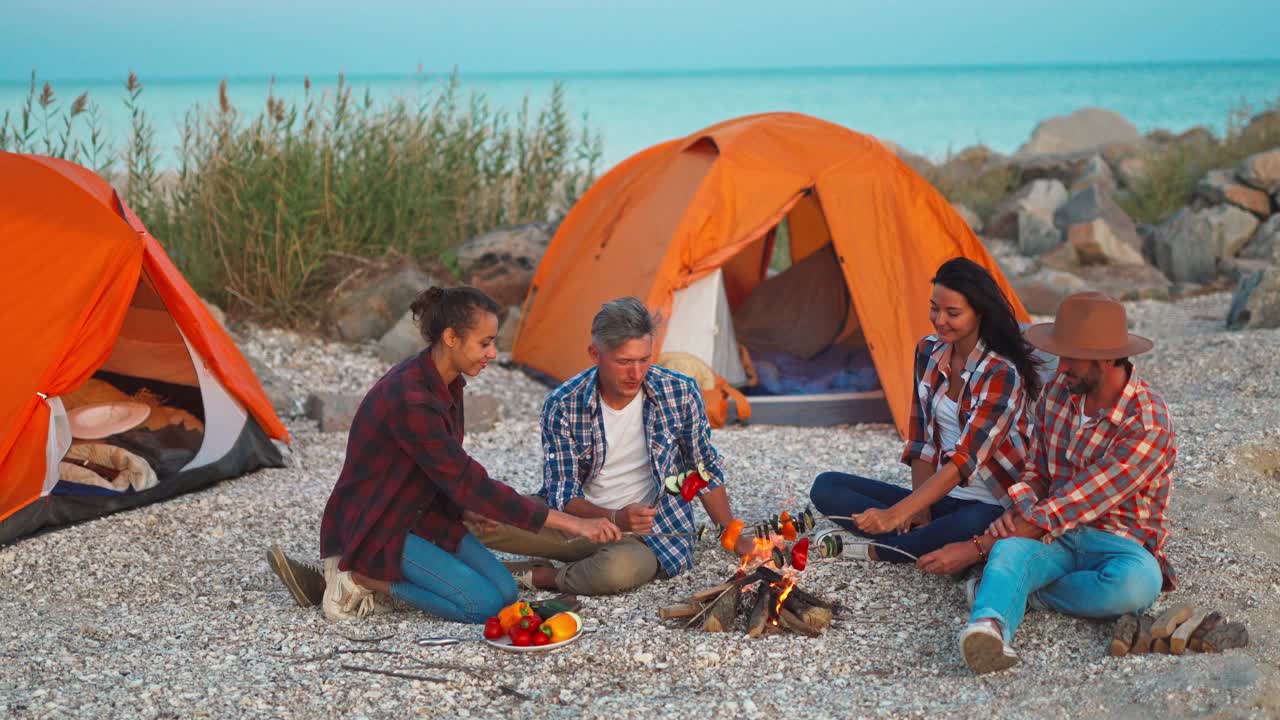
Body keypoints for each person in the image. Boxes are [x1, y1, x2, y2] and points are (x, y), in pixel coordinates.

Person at [267, 286, 620, 623]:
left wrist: (464, 510)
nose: (493, 354)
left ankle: (378, 577)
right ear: (451, 338)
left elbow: (441, 472)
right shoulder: (411, 399)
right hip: (380, 522)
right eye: (485, 343)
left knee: (506, 593)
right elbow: (469, 482)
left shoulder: (447, 383)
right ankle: (363, 579)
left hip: (419, 512)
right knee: (480, 606)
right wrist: (572, 523)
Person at [473, 297, 753, 595]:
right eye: (623, 362)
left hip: (649, 537)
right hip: (575, 522)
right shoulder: (564, 404)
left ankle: (544, 576)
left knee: (615, 571)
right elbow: (562, 494)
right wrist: (612, 517)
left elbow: (703, 468)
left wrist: (731, 533)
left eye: (644, 359)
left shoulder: (679, 392)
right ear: (595, 354)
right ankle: (436, 563)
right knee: (479, 517)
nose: (636, 374)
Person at [958, 292, 1176, 674]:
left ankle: (1021, 590)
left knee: (1139, 585)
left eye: (1072, 357)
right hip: (1053, 533)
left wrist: (1015, 529)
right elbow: (1036, 472)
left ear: (1108, 359)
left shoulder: (1148, 422)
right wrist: (1018, 514)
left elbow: (1089, 494)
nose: (1061, 368)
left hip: (1117, 542)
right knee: (1009, 552)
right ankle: (988, 627)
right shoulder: (1058, 394)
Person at [808, 257, 1039, 566]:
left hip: (993, 506)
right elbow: (921, 439)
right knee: (826, 486)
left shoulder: (1001, 373)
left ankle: (880, 550)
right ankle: (921, 542)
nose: (939, 320)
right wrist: (918, 510)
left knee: (967, 525)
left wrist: (894, 515)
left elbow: (963, 462)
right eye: (934, 308)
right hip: (940, 496)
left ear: (979, 313)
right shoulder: (928, 351)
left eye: (952, 313)